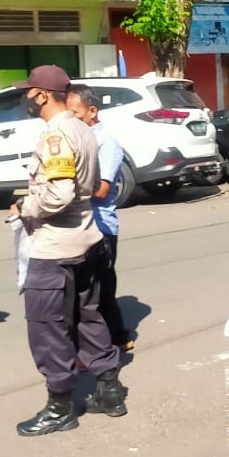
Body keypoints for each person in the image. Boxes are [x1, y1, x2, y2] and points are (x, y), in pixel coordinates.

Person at [11, 65, 126, 436]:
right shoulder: (82, 127)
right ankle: (110, 391)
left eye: (29, 92)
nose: (26, 98)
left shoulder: (58, 133)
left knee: (48, 328)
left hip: (55, 247)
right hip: (86, 239)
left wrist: (25, 208)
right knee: (88, 317)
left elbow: (59, 194)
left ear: (42, 95)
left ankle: (60, 407)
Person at [66, 84, 134, 351]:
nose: (72, 119)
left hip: (101, 225)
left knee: (101, 288)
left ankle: (115, 339)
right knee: (88, 288)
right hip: (79, 222)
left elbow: (102, 189)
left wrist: (65, 189)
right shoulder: (76, 136)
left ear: (92, 111)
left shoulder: (106, 141)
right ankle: (111, 338)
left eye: (76, 113)